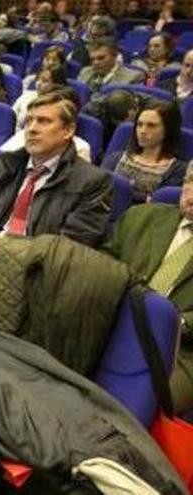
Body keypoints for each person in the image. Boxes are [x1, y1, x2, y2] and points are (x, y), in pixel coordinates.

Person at [0, 92, 113, 248]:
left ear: (68, 131)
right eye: (29, 121)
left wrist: (3, 245)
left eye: (44, 121)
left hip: (32, 267)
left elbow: (67, 249)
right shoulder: (9, 162)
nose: (31, 129)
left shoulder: (93, 182)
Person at [103, 163, 193, 415]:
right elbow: (104, 263)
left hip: (182, 350)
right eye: (190, 182)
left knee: (138, 405)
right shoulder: (141, 217)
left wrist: (172, 323)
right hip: (112, 322)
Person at [101, 100, 186, 202]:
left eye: (151, 125)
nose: (142, 131)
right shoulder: (115, 158)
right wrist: (142, 197)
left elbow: (158, 204)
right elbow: (97, 188)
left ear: (168, 129)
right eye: (139, 124)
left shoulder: (177, 171)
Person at [78, 38, 145, 93]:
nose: (96, 63)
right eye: (92, 59)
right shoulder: (85, 72)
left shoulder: (133, 77)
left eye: (101, 58)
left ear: (114, 56)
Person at [14, 65, 68, 131]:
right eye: (38, 79)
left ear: (57, 84)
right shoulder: (27, 95)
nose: (38, 83)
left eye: (44, 81)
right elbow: (11, 118)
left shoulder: (59, 106)